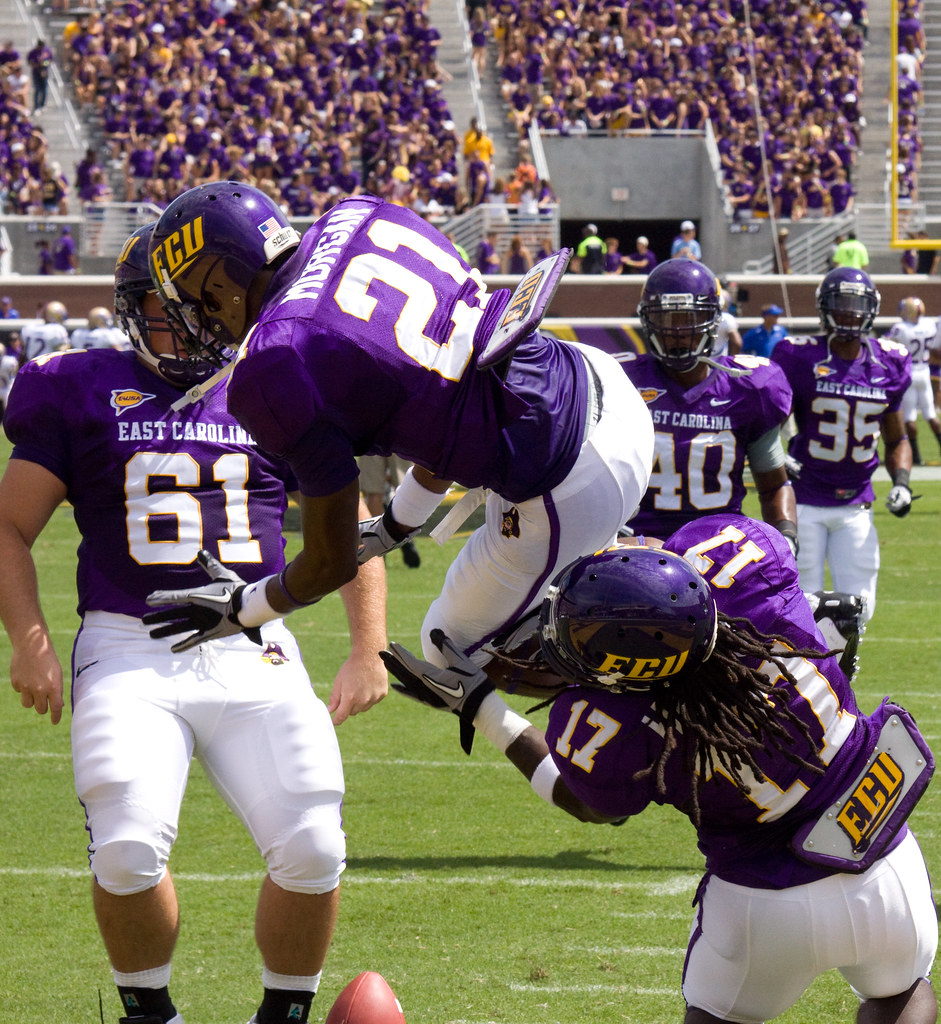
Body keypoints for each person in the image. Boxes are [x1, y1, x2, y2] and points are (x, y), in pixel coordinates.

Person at [0, 222, 387, 1024]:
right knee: (129, 849)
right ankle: (153, 1015)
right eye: (168, 310)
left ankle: (282, 1015)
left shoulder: (275, 378)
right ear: (132, 310)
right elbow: (8, 525)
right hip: (130, 647)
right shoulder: (76, 385)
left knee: (315, 843)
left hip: (255, 645)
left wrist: (367, 647)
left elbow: (351, 519)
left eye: (202, 309)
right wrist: (29, 642)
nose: (191, 328)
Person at [382, 513, 937, 1024]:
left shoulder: (606, 718)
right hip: (883, 860)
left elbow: (588, 805)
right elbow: (708, 567)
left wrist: (483, 707)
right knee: (903, 991)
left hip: (762, 909)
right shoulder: (747, 565)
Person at [144, 181, 653, 678]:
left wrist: (243, 608)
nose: (196, 323)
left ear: (218, 286)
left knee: (451, 654)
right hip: (596, 378)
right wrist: (393, 528)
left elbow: (330, 561)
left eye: (190, 305)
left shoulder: (273, 361)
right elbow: (438, 389)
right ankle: (635, 574)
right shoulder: (355, 213)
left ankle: (658, 637)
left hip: (567, 475)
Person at [622, 259, 797, 550]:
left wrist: (787, 537)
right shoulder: (621, 380)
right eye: (666, 320)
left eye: (689, 320)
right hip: (636, 544)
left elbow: (774, 485)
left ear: (714, 321)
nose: (677, 332)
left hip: (721, 549)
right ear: (647, 320)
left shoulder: (749, 386)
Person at [771, 267, 913, 622]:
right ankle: (801, 678)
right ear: (824, 308)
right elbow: (765, 422)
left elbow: (897, 437)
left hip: (856, 505)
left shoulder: (889, 362)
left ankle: (845, 678)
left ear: (872, 309)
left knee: (859, 612)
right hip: (803, 501)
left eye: (856, 304)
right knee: (799, 609)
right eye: (841, 303)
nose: (849, 312)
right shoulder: (799, 356)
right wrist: (778, 457)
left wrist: (902, 484)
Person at [884, 297, 941, 465]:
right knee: (931, 415)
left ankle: (916, 456)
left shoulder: (901, 328)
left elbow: (887, 343)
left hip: (908, 372)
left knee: (909, 417)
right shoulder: (929, 325)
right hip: (924, 371)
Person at [356, 454, 421, 568]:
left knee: (374, 493)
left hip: (371, 438)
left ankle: (377, 545)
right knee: (405, 489)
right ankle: (405, 536)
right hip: (400, 437)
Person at [713, 289, 742, 357]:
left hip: (701, 361)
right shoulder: (727, 318)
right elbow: (737, 343)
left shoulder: (702, 316)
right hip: (718, 362)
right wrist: (731, 359)